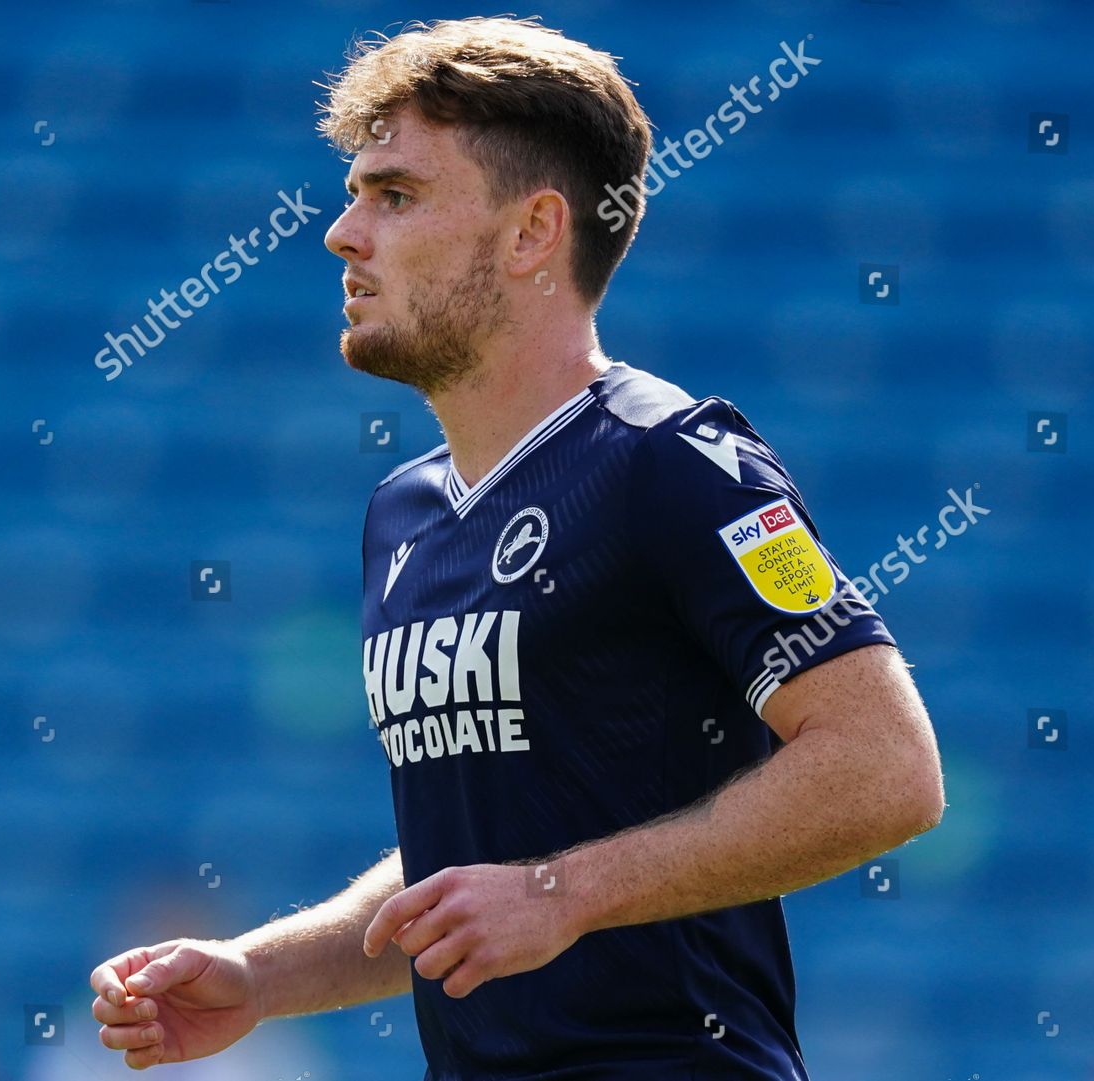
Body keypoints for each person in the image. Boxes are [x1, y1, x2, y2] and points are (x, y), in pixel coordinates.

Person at [91, 16, 944, 1078]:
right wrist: (265, 975)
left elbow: (886, 767)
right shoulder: (401, 515)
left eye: (395, 195)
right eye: (356, 192)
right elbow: (482, 859)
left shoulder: (673, 461)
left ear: (533, 233)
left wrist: (563, 893)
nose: (342, 233)